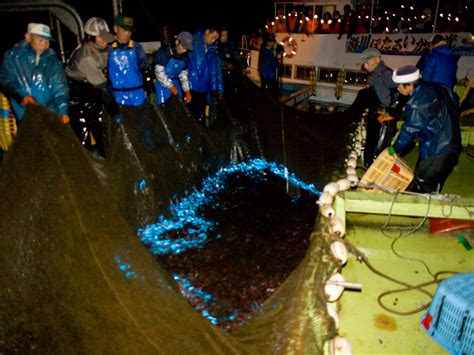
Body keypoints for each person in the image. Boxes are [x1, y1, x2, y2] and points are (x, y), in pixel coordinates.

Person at [391, 65, 461, 193]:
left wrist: (393, 150)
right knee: (433, 182)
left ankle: (421, 211)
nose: (398, 88)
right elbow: (456, 101)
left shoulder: (419, 101)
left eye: (400, 85)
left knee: (424, 185)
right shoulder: (438, 87)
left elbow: (409, 131)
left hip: (437, 150)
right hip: (452, 144)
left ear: (410, 85)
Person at [65, 17, 121, 157]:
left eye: (106, 38)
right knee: (82, 134)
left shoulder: (103, 48)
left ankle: (106, 157)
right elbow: (102, 87)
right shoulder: (86, 56)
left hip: (91, 88)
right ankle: (87, 166)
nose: (105, 41)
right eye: (101, 38)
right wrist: (115, 112)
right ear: (91, 38)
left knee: (100, 128)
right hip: (75, 93)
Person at [0, 23, 69, 124]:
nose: (44, 44)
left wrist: (63, 112)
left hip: (48, 114)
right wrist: (21, 98)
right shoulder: (13, 57)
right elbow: (5, 80)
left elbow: (60, 88)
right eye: (41, 40)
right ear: (28, 37)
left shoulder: (53, 61)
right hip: (22, 114)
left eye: (47, 41)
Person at [357, 48, 399, 167]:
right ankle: (369, 165)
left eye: (367, 62)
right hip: (374, 113)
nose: (365, 66)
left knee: (382, 144)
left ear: (378, 59)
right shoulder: (374, 74)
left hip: (383, 115)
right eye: (364, 63)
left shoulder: (387, 74)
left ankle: (378, 167)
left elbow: (398, 91)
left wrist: (390, 112)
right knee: (371, 141)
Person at [108, 14, 153, 107]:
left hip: (138, 94)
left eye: (130, 31)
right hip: (117, 96)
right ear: (115, 29)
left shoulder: (137, 48)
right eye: (124, 30)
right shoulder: (108, 49)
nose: (127, 34)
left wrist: (150, 91)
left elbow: (145, 70)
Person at [188, 26, 223, 125]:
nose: (213, 40)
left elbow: (215, 69)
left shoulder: (212, 48)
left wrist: (217, 88)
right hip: (192, 86)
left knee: (202, 116)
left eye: (216, 39)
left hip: (204, 87)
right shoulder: (193, 39)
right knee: (192, 116)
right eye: (212, 37)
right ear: (207, 32)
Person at [153, 31, 193, 106]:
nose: (184, 50)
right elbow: (159, 72)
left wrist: (187, 91)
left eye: (186, 48)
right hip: (162, 85)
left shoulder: (185, 57)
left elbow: (183, 76)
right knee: (164, 107)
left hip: (176, 83)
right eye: (183, 46)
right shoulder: (164, 52)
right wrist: (170, 86)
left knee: (178, 106)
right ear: (177, 41)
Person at [258, 34, 283, 98]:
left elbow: (281, 48)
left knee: (274, 89)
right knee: (267, 88)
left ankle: (274, 100)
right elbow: (271, 58)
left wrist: (280, 52)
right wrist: (277, 60)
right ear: (267, 42)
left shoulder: (276, 46)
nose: (270, 43)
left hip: (272, 72)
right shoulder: (264, 48)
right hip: (265, 72)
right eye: (269, 41)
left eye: (272, 41)